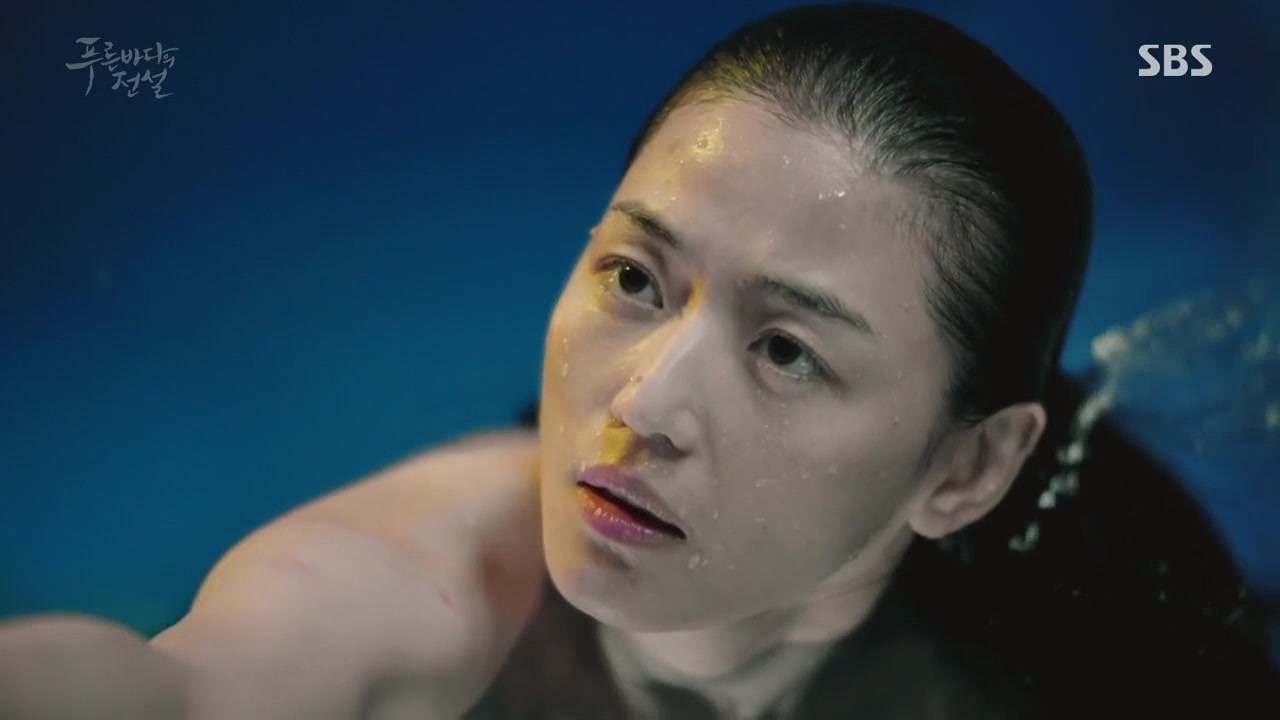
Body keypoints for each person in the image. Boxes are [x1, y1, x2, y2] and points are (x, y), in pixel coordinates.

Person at [1, 3, 1275, 718]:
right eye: (632, 279)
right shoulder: (431, 593)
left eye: (785, 351)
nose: (643, 402)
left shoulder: (1111, 658)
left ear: (962, 471)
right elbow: (178, 692)